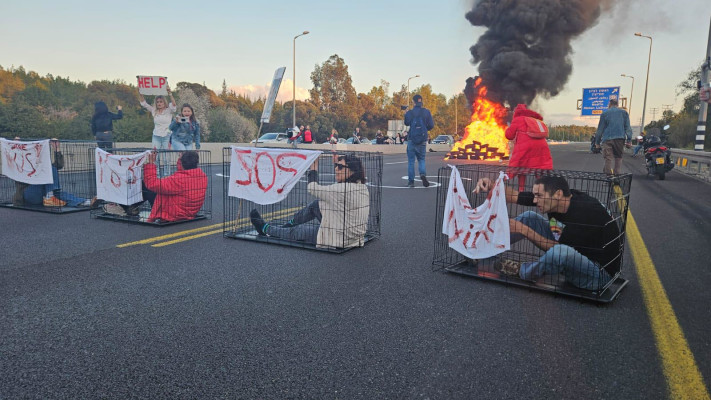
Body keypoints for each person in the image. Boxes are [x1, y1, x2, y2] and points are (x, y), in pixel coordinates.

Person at [474, 175, 621, 291]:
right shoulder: (564, 198)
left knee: (559, 251)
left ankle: (523, 271)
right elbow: (515, 196)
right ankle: (484, 250)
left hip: (596, 274)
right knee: (529, 217)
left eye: (538, 195)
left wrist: (522, 229)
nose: (535, 199)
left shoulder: (584, 214)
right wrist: (492, 186)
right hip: (575, 250)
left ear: (557, 194)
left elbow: (557, 250)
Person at [249, 154, 370, 249]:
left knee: (298, 231)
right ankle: (285, 226)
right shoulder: (361, 187)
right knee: (316, 205)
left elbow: (312, 188)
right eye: (336, 166)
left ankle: (265, 229)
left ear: (352, 171)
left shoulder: (340, 189)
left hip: (338, 239)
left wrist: (314, 167)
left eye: (341, 167)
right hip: (353, 237)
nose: (336, 169)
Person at [15, 139, 91, 208]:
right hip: (29, 193)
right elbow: (15, 162)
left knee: (59, 193)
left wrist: (56, 149)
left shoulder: (41, 165)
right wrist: (16, 147)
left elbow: (59, 165)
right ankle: (50, 197)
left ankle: (84, 202)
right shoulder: (23, 165)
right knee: (50, 171)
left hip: (43, 193)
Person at [142, 150, 208, 222]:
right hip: (190, 211)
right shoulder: (202, 175)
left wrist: (151, 163)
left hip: (176, 213)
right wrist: (182, 158)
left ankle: (132, 208)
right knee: (160, 186)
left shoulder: (179, 179)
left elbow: (151, 183)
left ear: (181, 163)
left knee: (146, 186)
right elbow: (182, 170)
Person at [505, 104, 553, 191]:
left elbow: (509, 135)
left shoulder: (518, 119)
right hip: (542, 147)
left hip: (526, 146)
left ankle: (520, 189)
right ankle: (541, 190)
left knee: (520, 166)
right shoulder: (535, 120)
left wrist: (508, 129)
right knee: (539, 167)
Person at [594, 98, 633, 175]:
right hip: (620, 139)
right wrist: (629, 140)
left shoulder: (605, 114)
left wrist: (597, 143)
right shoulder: (624, 113)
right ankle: (617, 176)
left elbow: (600, 130)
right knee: (618, 158)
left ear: (610, 104)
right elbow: (628, 128)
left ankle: (608, 178)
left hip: (607, 139)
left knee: (608, 158)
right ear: (617, 105)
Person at [404, 94, 435, 187]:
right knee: (421, 159)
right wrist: (425, 129)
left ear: (413, 102)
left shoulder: (410, 112)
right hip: (422, 139)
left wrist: (406, 114)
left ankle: (411, 182)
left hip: (412, 140)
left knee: (411, 161)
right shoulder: (426, 112)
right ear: (421, 102)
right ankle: (422, 174)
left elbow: (406, 123)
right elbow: (431, 125)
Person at [138, 87, 177, 152]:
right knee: (155, 154)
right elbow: (144, 103)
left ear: (164, 102)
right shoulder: (154, 110)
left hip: (167, 135)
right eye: (157, 102)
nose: (159, 103)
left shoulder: (169, 110)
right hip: (156, 135)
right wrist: (140, 92)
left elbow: (174, 105)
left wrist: (170, 93)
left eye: (161, 102)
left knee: (166, 156)